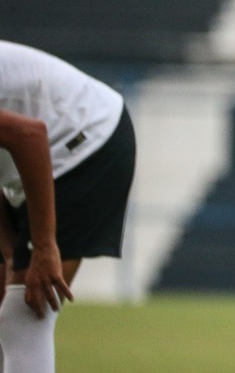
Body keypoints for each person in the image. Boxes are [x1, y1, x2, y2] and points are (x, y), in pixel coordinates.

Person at [0, 40, 136, 373]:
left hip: (86, 140)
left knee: (25, 312)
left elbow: (30, 136)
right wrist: (5, 251)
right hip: (37, 158)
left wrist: (45, 246)